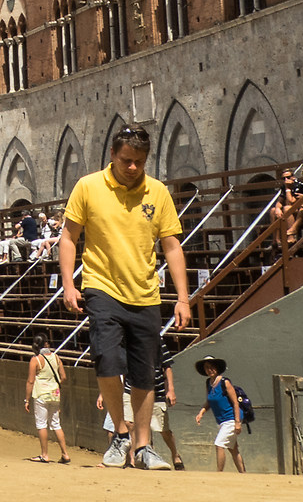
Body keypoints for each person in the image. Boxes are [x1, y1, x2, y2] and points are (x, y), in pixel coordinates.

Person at [57, 123, 191, 471]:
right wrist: (68, 285)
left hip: (146, 293)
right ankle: (120, 433)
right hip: (101, 287)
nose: (132, 168)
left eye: (140, 161)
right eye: (126, 160)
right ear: (113, 156)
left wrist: (183, 298)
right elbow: (69, 237)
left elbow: (172, 245)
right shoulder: (88, 187)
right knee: (106, 359)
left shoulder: (157, 192)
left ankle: (143, 445)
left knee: (145, 372)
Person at [195, 355, 247, 472]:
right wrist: (201, 412)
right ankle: (243, 473)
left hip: (231, 419)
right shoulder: (209, 383)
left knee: (219, 444)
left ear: (217, 368)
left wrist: (237, 422)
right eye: (207, 367)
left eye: (212, 367)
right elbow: (209, 401)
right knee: (233, 449)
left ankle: (219, 473)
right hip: (221, 421)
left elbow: (235, 403)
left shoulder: (225, 382)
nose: (210, 370)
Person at [24, 332, 67, 463]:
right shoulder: (56, 357)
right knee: (56, 424)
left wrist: (27, 399)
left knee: (42, 424)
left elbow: (30, 381)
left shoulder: (35, 360)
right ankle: (65, 453)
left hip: (41, 394)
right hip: (55, 394)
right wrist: (53, 384)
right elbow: (63, 377)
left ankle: (45, 454)